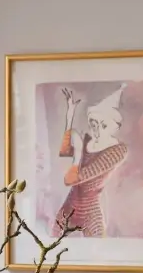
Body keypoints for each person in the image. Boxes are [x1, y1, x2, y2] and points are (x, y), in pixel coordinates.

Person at [53, 84, 128, 237]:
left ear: (115, 127)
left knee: (98, 252)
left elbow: (73, 178)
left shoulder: (117, 151)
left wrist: (78, 152)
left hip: (90, 212)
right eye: (94, 124)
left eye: (104, 125)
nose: (98, 129)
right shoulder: (87, 141)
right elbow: (65, 151)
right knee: (51, 247)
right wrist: (70, 116)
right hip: (69, 206)